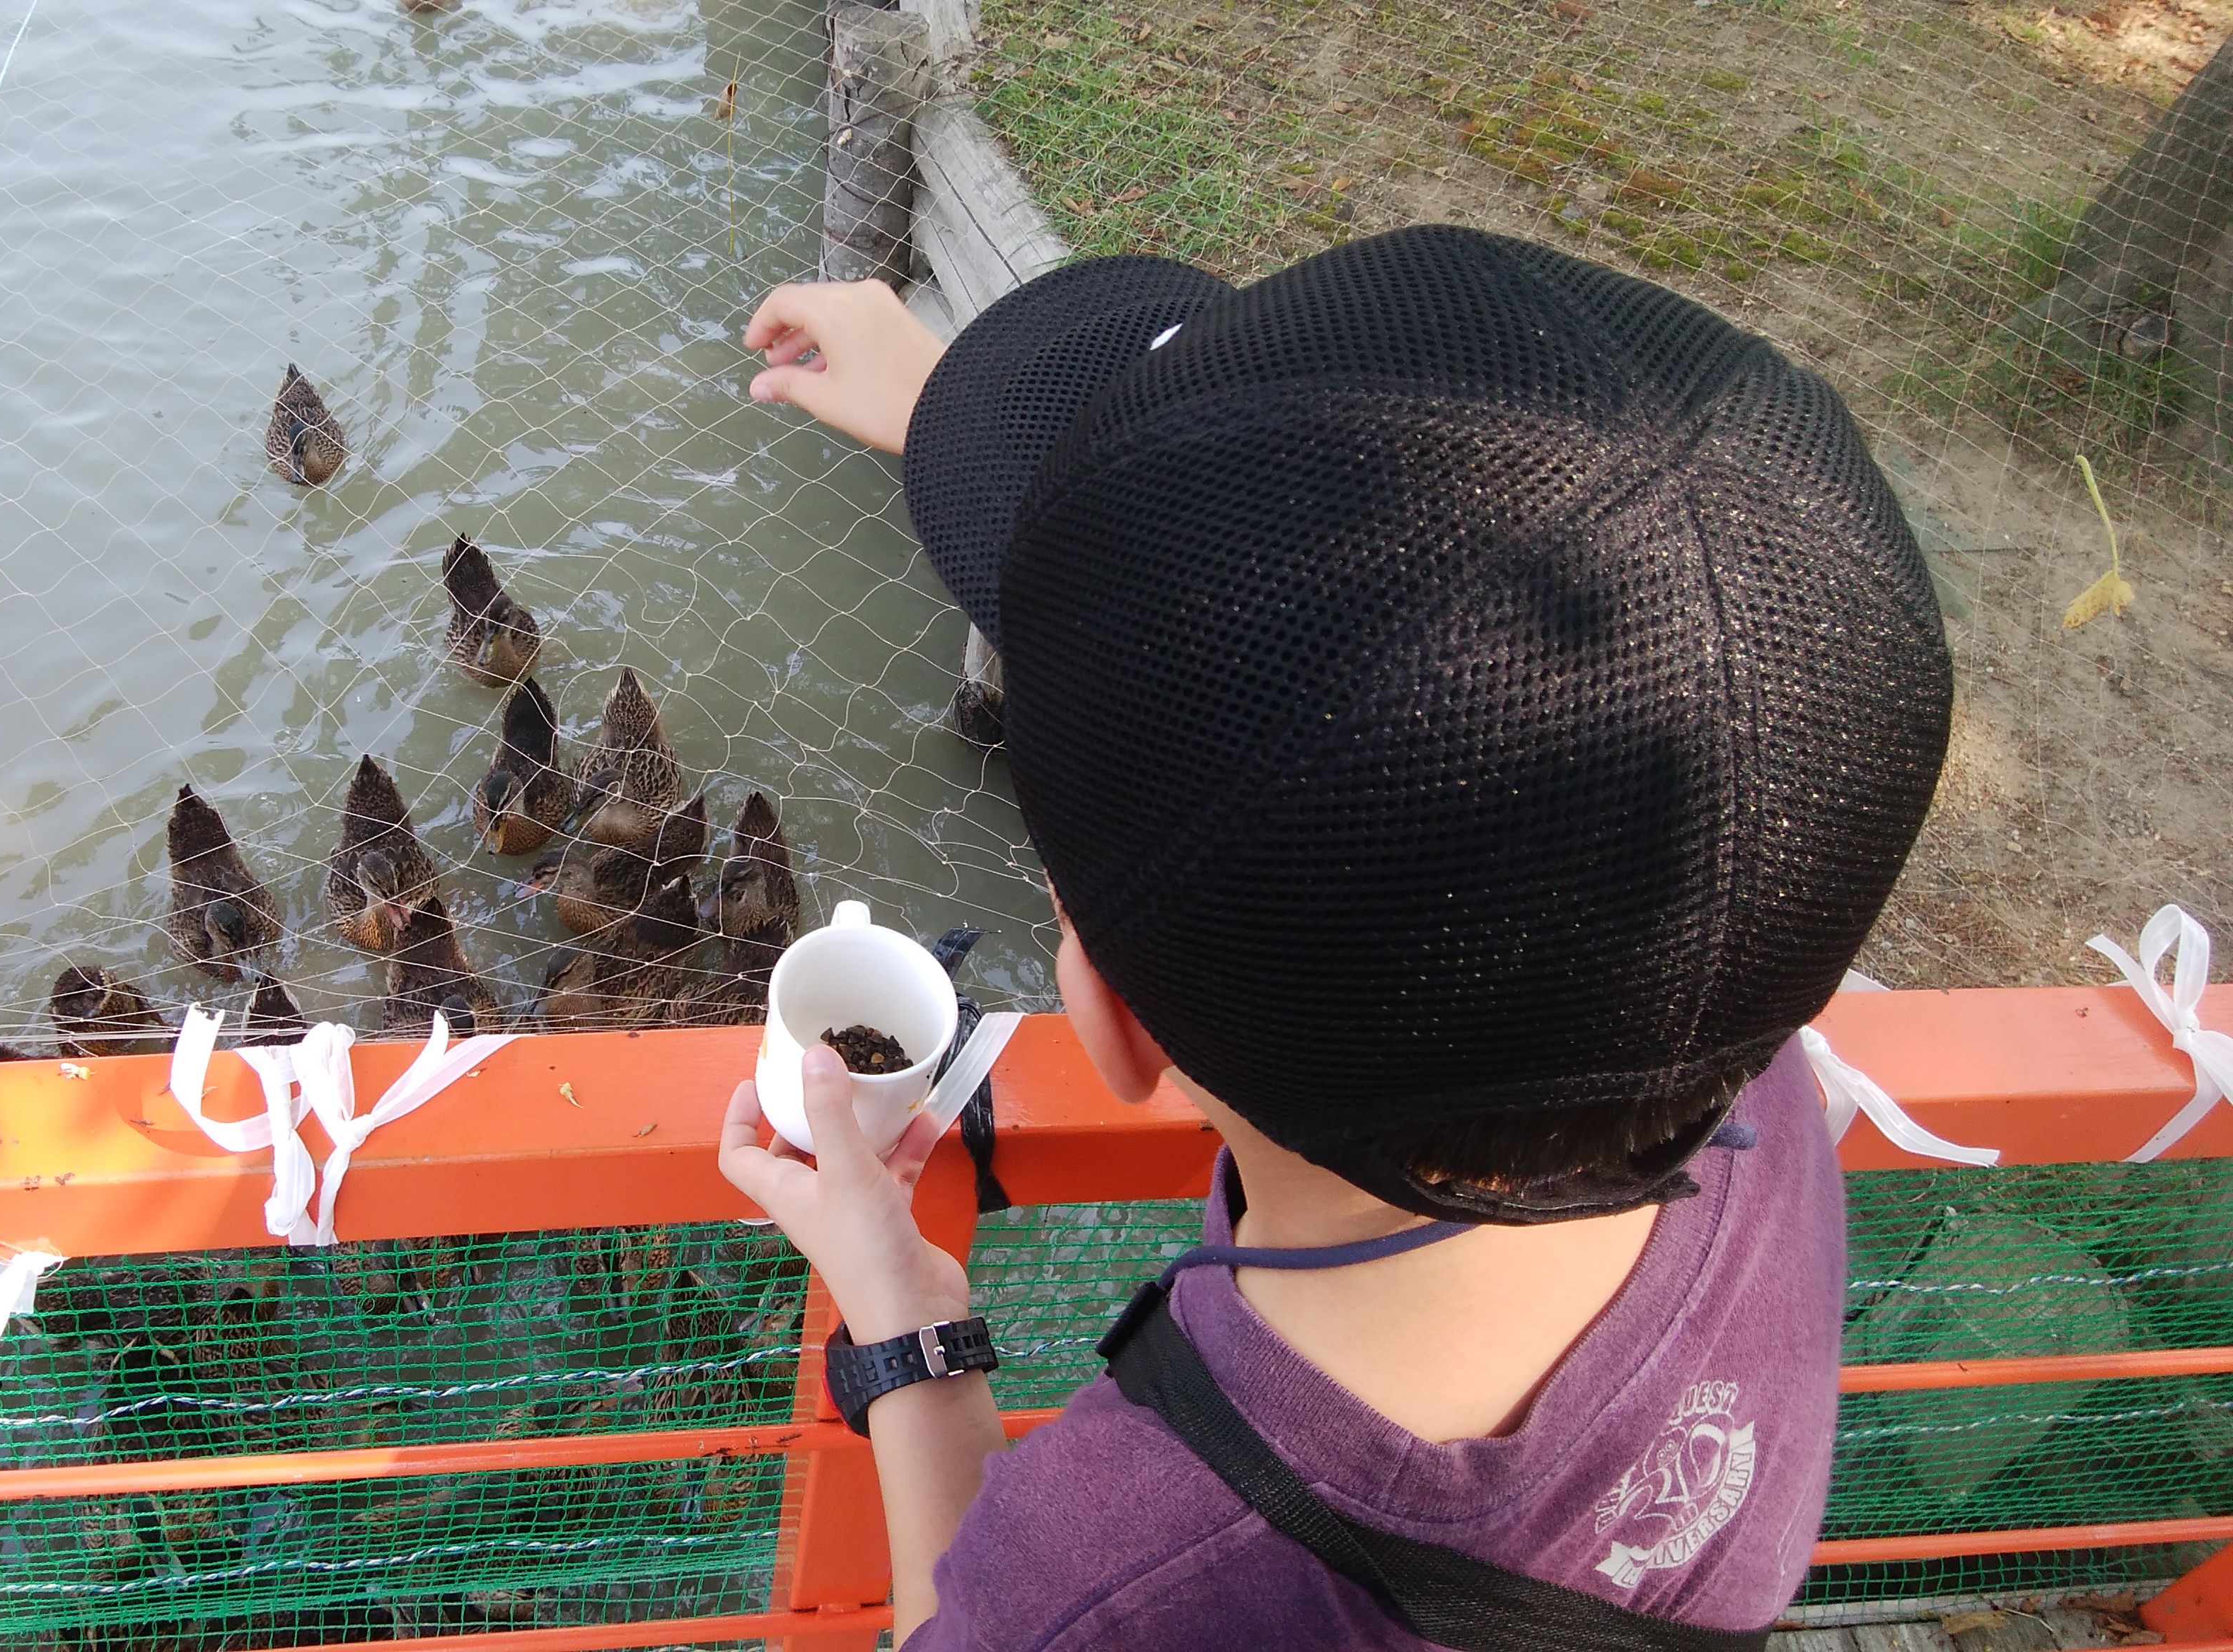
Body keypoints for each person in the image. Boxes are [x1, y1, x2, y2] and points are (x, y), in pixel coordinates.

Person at [716, 226, 1952, 1649]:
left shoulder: (1109, 1581)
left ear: (1110, 1019)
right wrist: (968, 419)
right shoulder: (1748, 1090)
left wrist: (910, 1323)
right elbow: (1394, 711)